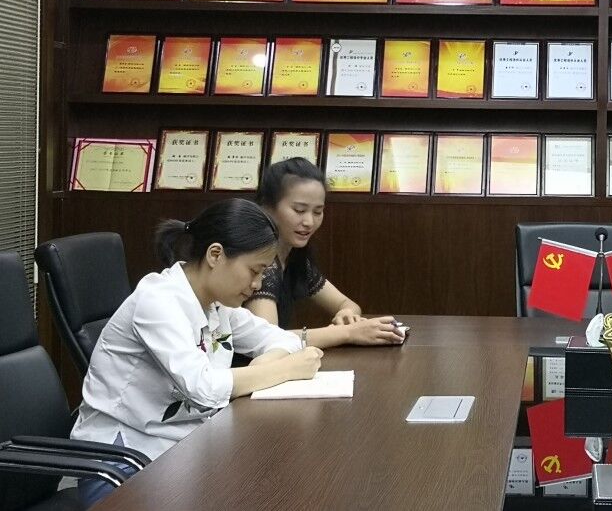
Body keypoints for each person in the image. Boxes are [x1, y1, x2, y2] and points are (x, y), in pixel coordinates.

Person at [71, 199, 323, 507]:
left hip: (181, 453)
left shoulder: (216, 305)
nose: (257, 285)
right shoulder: (158, 301)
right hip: (124, 465)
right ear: (215, 254)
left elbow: (283, 339)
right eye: (254, 271)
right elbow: (203, 388)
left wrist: (264, 366)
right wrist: (283, 370)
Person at [246, 158, 403, 347]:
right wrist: (347, 333)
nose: (309, 222)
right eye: (299, 210)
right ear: (267, 207)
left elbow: (347, 304)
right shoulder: (259, 262)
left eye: (317, 212)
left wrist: (347, 315)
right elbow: (267, 339)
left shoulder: (294, 257)